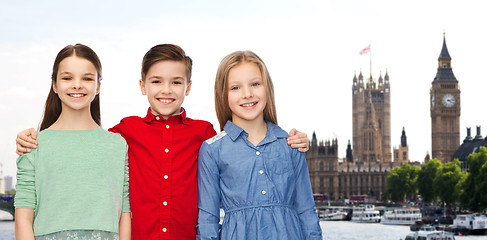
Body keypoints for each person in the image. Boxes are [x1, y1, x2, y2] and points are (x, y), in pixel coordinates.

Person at [15, 44, 310, 240]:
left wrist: (291, 139)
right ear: (142, 86)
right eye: (156, 81)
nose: (166, 90)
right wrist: (31, 138)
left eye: (176, 82)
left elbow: (242, 150)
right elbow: (85, 144)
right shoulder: (124, 132)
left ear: (188, 87)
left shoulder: (205, 134)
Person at [196, 50, 322, 239]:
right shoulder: (213, 150)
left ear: (267, 88)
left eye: (255, 84)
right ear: (223, 94)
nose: (247, 94)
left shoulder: (291, 144)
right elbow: (208, 220)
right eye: (235, 88)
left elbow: (306, 211)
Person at [14, 44, 131, 240]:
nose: (77, 85)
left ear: (98, 86)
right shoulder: (34, 144)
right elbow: (23, 218)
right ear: (54, 85)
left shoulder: (117, 145)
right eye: (67, 78)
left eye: (87, 78)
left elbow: (124, 214)